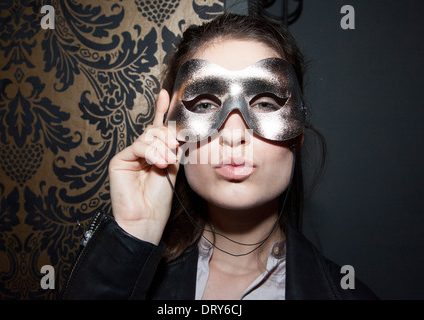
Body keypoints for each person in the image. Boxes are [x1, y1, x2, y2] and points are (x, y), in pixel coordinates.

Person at [61, 13, 377, 300]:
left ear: (298, 137)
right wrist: (131, 238)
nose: (233, 134)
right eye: (205, 105)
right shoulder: (134, 280)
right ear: (172, 130)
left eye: (265, 103)